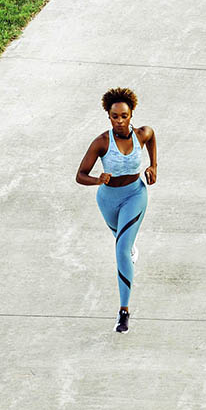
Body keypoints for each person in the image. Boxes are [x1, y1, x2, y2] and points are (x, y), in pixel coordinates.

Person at [76, 87, 157, 333]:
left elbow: (152, 136)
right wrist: (97, 180)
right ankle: (129, 246)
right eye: (114, 116)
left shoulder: (141, 135)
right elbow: (80, 175)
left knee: (120, 249)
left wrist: (154, 166)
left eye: (124, 116)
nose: (119, 121)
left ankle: (123, 312)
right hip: (107, 200)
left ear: (131, 115)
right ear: (108, 116)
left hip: (135, 195)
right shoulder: (102, 142)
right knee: (122, 240)